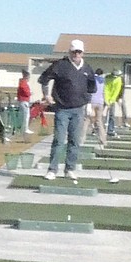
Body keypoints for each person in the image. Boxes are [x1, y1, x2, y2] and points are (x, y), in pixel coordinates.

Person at [38, 40, 96, 179]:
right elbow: (44, 79)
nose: (76, 54)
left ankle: (70, 169)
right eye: (74, 51)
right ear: (69, 51)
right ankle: (52, 170)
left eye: (79, 51)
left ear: (83, 53)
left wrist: (88, 105)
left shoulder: (87, 68)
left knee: (75, 140)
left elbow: (91, 88)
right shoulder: (60, 65)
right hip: (62, 108)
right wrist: (46, 95)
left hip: (78, 109)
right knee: (59, 139)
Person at [89, 67, 108, 147]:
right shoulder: (103, 81)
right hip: (100, 102)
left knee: (86, 120)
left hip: (92, 101)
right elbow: (104, 92)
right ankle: (103, 140)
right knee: (99, 121)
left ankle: (80, 140)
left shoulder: (93, 79)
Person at [103, 69, 124, 135]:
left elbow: (116, 91)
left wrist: (112, 100)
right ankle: (98, 129)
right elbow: (106, 89)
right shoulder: (108, 78)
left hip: (112, 99)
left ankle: (110, 129)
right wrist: (106, 100)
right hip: (104, 97)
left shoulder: (119, 80)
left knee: (111, 115)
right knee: (100, 114)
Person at [15, 71, 32, 135]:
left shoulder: (22, 83)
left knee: (24, 115)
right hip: (24, 101)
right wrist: (29, 93)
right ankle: (25, 129)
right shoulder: (23, 83)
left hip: (23, 100)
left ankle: (24, 128)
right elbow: (25, 91)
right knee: (26, 115)